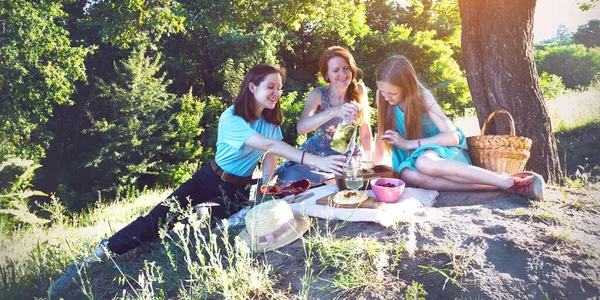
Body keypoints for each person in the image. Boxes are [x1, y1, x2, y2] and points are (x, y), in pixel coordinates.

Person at [94, 64, 347, 257]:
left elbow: (271, 154)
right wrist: (315, 161)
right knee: (157, 220)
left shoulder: (271, 121)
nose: (277, 93)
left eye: (279, 88)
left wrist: (267, 184)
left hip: (237, 189)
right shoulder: (232, 118)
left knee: (214, 228)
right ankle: (103, 252)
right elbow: (270, 145)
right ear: (252, 87)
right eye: (271, 86)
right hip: (207, 180)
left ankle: (196, 217)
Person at [373, 55, 544, 200]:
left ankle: (506, 181)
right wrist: (375, 168)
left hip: (444, 150)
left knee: (425, 163)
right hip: (416, 156)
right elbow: (381, 135)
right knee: (407, 175)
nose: (386, 97)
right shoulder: (383, 95)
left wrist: (408, 144)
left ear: (407, 87)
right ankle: (494, 185)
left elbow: (452, 137)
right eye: (382, 91)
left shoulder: (423, 97)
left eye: (392, 93)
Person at [274, 46, 373, 186]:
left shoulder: (359, 90)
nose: (343, 74)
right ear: (326, 75)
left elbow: (365, 132)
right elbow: (301, 128)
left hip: (345, 157)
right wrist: (334, 111)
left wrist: (370, 162)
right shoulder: (318, 94)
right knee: (288, 180)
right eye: (336, 70)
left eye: (346, 68)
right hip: (315, 155)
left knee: (348, 185)